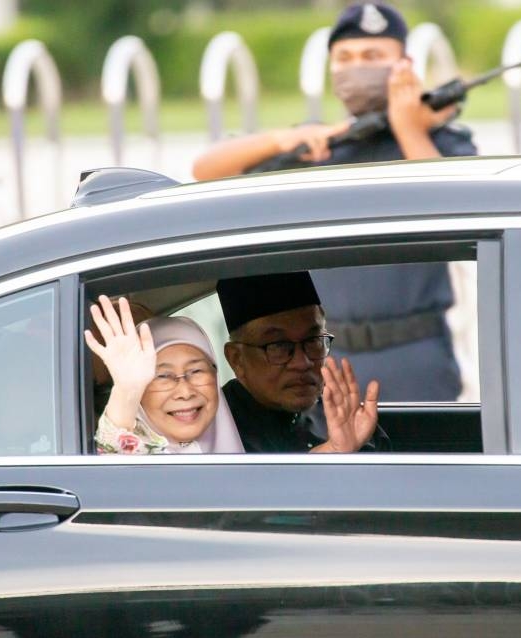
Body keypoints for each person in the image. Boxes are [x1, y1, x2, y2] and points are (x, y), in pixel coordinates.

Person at [193, 3, 475, 401]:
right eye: (345, 58)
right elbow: (206, 171)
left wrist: (410, 128)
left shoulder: (438, 143)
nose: (357, 67)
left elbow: (462, 209)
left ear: (405, 65)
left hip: (416, 350)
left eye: (373, 56)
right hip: (327, 355)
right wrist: (280, 140)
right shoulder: (321, 146)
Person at [217, 272, 385, 453]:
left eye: (313, 341)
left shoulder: (341, 416)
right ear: (237, 359)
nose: (302, 362)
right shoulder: (214, 432)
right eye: (279, 346)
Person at [85, 295, 244, 454]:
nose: (185, 392)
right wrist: (126, 389)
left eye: (196, 371)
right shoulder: (134, 470)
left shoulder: (252, 449)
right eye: (162, 376)